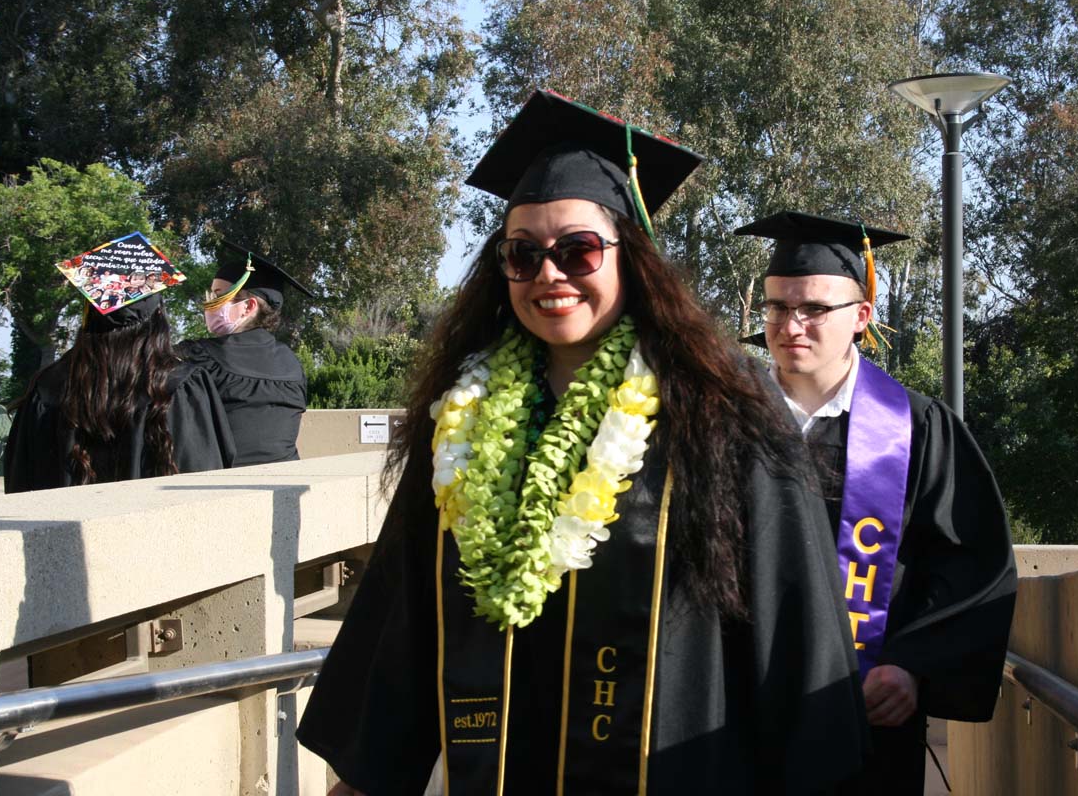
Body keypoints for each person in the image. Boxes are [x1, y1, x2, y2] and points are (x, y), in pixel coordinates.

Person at [297, 91, 869, 795]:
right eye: (523, 254)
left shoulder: (722, 410)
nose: (550, 275)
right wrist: (364, 776)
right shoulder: (460, 421)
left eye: (578, 251)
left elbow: (796, 631)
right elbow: (405, 612)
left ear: (634, 257)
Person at [736, 211, 1018, 794]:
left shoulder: (915, 428)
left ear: (862, 316)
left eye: (814, 308)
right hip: (735, 710)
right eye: (777, 307)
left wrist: (914, 664)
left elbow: (969, 565)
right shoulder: (725, 421)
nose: (791, 325)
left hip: (866, 717)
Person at [5, 275, 235, 493]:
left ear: (90, 316)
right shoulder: (179, 384)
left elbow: (21, 481)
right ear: (158, 317)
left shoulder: (49, 385)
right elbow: (203, 478)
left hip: (62, 530)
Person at [177, 241, 312, 466]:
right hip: (285, 482)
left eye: (218, 296)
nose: (209, 304)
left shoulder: (197, 356)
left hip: (223, 488)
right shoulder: (292, 362)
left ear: (249, 307)